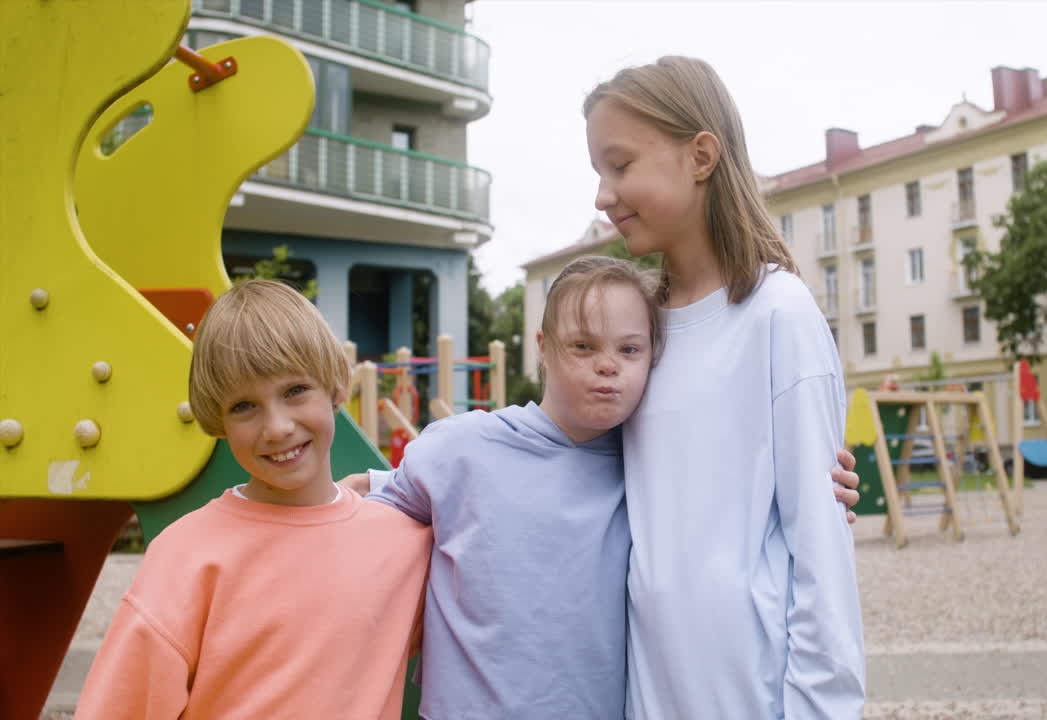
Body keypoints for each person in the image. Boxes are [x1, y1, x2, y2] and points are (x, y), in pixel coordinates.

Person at [584, 56, 865, 718]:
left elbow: (823, 561)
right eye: (597, 173)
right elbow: (554, 452)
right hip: (652, 695)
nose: (601, 195)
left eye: (619, 166)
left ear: (701, 155)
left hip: (752, 697)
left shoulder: (779, 316)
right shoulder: (636, 334)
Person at [75, 280, 433, 720]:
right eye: (244, 406)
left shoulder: (403, 543)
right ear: (218, 418)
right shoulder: (186, 555)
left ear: (336, 383)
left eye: (295, 391)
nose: (277, 426)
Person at [367, 256, 660, 719]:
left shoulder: (652, 471)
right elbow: (368, 520)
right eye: (583, 346)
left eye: (629, 350)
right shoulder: (462, 448)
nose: (608, 366)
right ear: (543, 348)